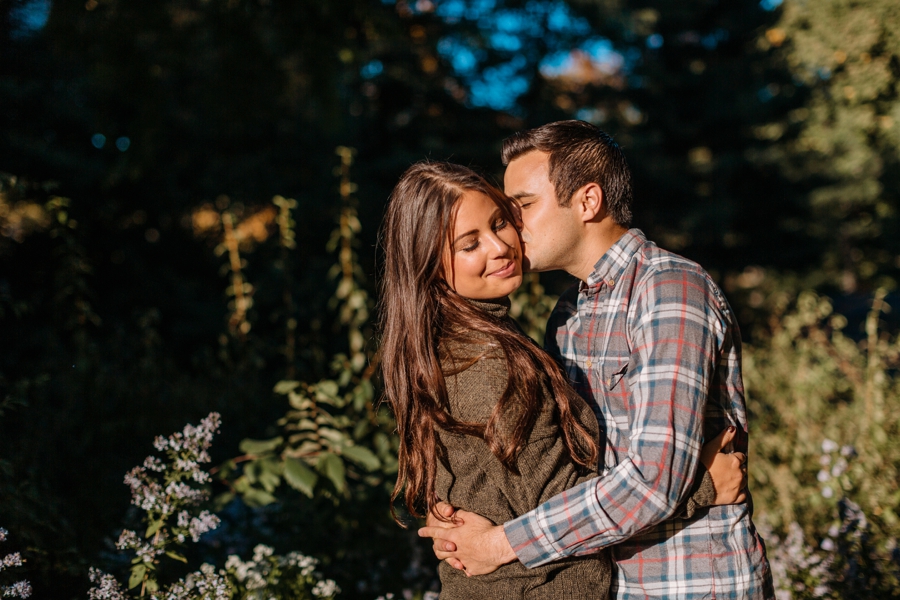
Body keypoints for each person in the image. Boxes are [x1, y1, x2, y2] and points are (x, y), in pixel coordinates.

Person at [419, 121, 773, 600]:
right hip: (607, 582)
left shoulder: (668, 290)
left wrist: (500, 544)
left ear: (587, 201)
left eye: (521, 207)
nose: (509, 231)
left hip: (687, 581)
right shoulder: (566, 315)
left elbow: (654, 482)